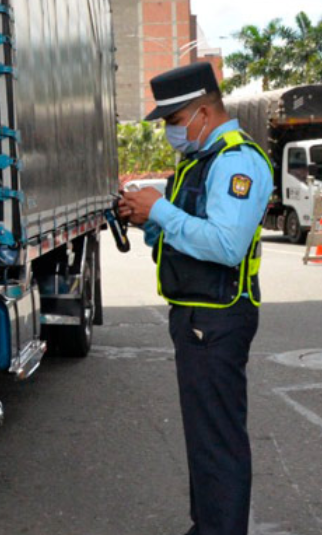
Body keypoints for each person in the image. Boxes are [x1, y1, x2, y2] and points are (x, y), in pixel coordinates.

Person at [118, 62, 273, 535]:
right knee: (204, 438)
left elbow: (227, 245)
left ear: (203, 113)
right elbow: (191, 233)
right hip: (197, 315)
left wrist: (160, 208)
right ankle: (208, 524)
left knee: (217, 440)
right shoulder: (201, 161)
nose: (169, 131)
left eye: (172, 120)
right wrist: (148, 220)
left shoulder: (235, 161)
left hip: (218, 317)